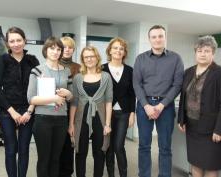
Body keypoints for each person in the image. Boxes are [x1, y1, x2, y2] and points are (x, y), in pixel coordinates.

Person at [133, 25, 184, 177]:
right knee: (144, 145)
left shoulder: (176, 58)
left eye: (160, 36)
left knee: (165, 147)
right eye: (154, 37)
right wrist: (146, 105)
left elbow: (178, 84)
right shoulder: (140, 58)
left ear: (165, 38)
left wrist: (162, 105)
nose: (157, 39)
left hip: (166, 106)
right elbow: (137, 83)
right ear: (149, 39)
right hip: (144, 106)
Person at [178, 35, 221, 177]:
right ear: (195, 53)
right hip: (192, 127)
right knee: (195, 162)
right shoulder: (188, 72)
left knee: (210, 166)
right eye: (200, 51)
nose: (203, 54)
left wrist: (219, 129)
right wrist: (181, 120)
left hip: (212, 129)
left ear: (213, 53)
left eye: (207, 51)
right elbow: (184, 97)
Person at [0, 26, 39, 177]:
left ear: (24, 41)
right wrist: (12, 111)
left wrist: (29, 111)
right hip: (7, 112)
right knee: (11, 149)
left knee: (24, 149)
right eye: (12, 41)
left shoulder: (32, 60)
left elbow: (38, 87)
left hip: (28, 111)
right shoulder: (2, 60)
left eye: (19, 40)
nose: (16, 43)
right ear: (7, 43)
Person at [27, 36, 73, 177]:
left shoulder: (66, 71)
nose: (56, 52)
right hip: (43, 120)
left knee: (55, 159)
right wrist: (54, 98)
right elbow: (31, 98)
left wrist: (68, 93)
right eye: (52, 48)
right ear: (46, 50)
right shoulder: (37, 70)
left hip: (61, 120)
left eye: (59, 49)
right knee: (44, 159)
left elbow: (72, 97)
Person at [68, 46, 113, 177]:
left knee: (99, 153)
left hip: (100, 118)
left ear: (97, 57)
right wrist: (71, 124)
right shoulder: (77, 78)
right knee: (80, 152)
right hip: (80, 119)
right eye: (86, 57)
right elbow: (74, 102)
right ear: (83, 59)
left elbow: (108, 101)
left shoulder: (106, 77)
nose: (89, 59)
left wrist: (108, 124)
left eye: (92, 56)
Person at [103, 37, 136, 177]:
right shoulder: (102, 68)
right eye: (115, 48)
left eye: (121, 49)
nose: (118, 50)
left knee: (118, 146)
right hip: (105, 114)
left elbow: (132, 93)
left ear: (124, 53)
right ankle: (111, 174)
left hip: (123, 113)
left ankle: (123, 174)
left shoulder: (130, 70)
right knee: (108, 147)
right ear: (110, 50)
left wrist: (132, 113)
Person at [58, 36, 80, 177]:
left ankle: (67, 173)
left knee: (69, 144)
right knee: (56, 145)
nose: (67, 50)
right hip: (56, 110)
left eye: (70, 47)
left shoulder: (78, 67)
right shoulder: (53, 64)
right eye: (64, 47)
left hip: (74, 110)